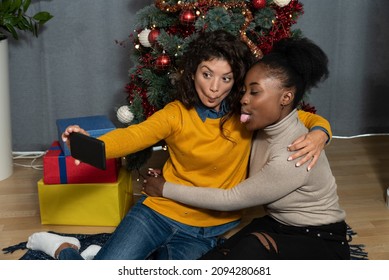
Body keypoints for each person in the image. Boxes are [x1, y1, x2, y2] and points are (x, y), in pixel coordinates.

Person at [26, 31, 332, 260]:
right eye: (207, 74)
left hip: (206, 231)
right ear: (192, 72)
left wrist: (321, 133)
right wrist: (88, 143)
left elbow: (300, 116)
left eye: (226, 79)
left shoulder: (247, 113)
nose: (214, 88)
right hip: (156, 213)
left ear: (236, 80)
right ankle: (63, 247)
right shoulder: (176, 113)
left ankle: (99, 256)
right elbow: (132, 136)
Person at [143, 36, 350, 260]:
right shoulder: (262, 123)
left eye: (254, 92)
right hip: (277, 223)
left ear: (286, 97)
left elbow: (230, 199)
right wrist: (174, 172)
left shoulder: (294, 153)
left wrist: (164, 188)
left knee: (241, 256)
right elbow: (209, 148)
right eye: (243, 91)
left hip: (317, 239)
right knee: (213, 258)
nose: (243, 99)